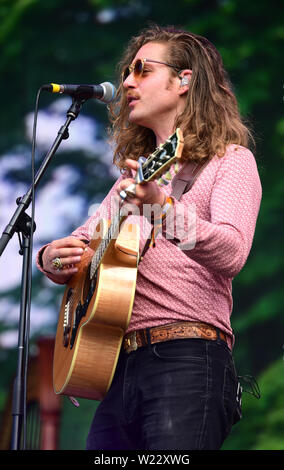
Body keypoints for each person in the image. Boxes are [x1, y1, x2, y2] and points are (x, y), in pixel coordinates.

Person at [36, 24, 262, 450]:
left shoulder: (230, 162)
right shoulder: (127, 184)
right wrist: (52, 257)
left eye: (142, 70)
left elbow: (232, 253)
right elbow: (82, 245)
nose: (126, 82)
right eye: (127, 71)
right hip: (115, 368)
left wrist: (162, 207)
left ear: (184, 80)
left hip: (187, 359)